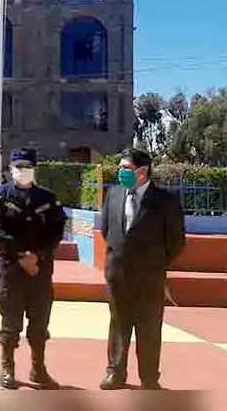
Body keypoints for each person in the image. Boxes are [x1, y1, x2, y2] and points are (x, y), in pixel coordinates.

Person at [99, 148, 185, 391]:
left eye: (125, 167)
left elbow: (176, 239)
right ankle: (115, 373)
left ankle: (149, 377)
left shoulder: (165, 200)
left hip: (150, 277)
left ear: (142, 171)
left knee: (148, 328)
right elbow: (107, 231)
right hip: (118, 275)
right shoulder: (113, 194)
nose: (120, 171)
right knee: (118, 324)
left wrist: (157, 263)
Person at [0, 148, 68, 390]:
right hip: (12, 266)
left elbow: (56, 231)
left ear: (35, 169)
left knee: (40, 320)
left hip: (40, 268)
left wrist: (37, 256)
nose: (22, 171)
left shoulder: (48, 198)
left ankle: (38, 368)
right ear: (10, 169)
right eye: (18, 167)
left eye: (27, 167)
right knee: (10, 319)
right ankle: (7, 367)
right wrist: (22, 255)